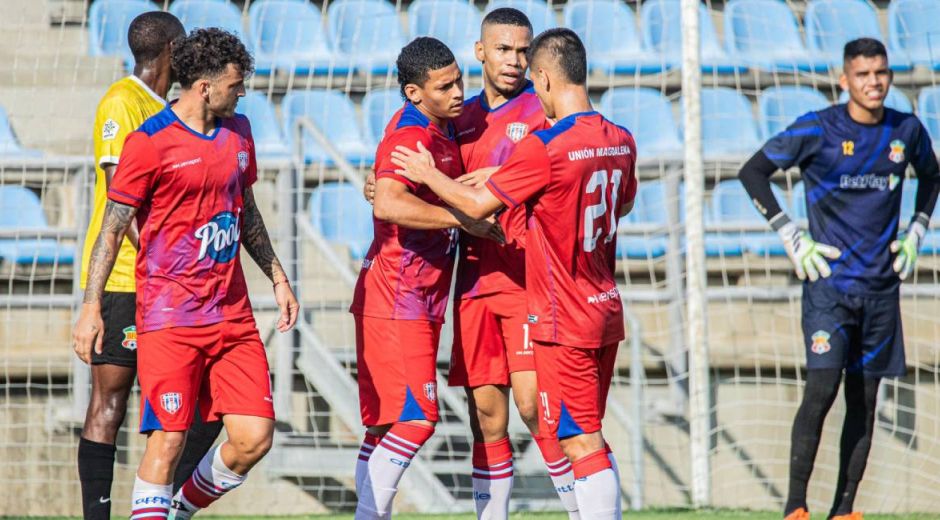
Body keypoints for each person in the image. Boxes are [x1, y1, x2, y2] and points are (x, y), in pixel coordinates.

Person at [391, 28, 636, 519]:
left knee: (576, 436)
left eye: (526, 58)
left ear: (542, 77)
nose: (517, 65)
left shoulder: (546, 143)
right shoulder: (621, 138)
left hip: (558, 310)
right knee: (572, 429)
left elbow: (484, 203)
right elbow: (622, 203)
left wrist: (430, 177)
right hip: (598, 304)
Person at [71, 28, 299, 520]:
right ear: (203, 86)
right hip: (171, 316)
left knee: (254, 436)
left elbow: (248, 211)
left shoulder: (240, 132)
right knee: (168, 440)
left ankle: (175, 511)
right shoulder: (149, 143)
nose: (243, 93)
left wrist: (277, 277)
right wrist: (91, 307)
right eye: (236, 84)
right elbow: (112, 230)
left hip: (232, 314)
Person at [365, 8, 578, 518]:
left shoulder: (544, 109)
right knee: (487, 414)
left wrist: (495, 180)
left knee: (535, 406)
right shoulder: (455, 116)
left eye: (525, 51)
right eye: (503, 49)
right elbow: (408, 176)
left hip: (529, 278)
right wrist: (375, 183)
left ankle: (581, 509)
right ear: (480, 52)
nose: (515, 60)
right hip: (473, 279)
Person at [737, 38, 940, 520]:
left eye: (881, 73)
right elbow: (754, 173)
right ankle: (795, 508)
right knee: (822, 391)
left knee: (865, 402)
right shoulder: (819, 129)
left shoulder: (906, 131)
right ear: (843, 80)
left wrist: (917, 229)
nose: (874, 82)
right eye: (864, 74)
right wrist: (790, 233)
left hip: (881, 291)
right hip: (829, 288)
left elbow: (932, 178)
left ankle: (843, 510)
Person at [76, 12, 221, 520]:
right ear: (172, 50)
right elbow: (125, 202)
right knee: (110, 403)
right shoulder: (122, 102)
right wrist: (167, 260)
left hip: (174, 285)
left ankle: (166, 506)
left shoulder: (171, 107)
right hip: (127, 281)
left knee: (208, 405)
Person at [350, 37, 502, 520]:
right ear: (415, 93)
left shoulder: (441, 127)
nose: (459, 91)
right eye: (445, 86)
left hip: (416, 295)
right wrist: (462, 217)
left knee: (383, 427)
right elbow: (388, 201)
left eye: (459, 80)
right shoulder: (411, 137)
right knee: (418, 419)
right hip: (397, 294)